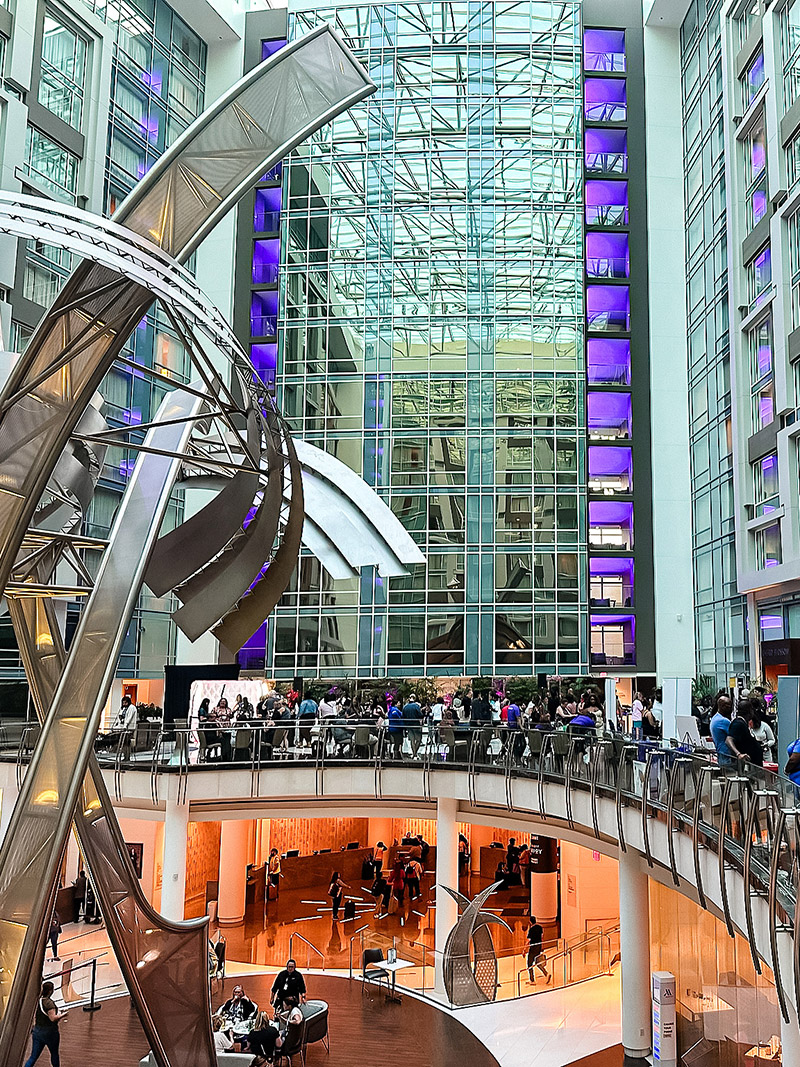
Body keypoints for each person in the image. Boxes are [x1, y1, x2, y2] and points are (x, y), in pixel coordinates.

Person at [23, 980, 67, 1067]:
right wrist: (63, 1015)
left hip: (37, 1031)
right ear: (50, 991)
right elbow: (53, 1018)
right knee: (54, 1053)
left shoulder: (38, 1000)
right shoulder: (49, 1003)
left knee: (33, 1057)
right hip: (50, 1033)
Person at [726, 699, 763, 768]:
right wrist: (738, 754)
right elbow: (728, 739)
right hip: (745, 766)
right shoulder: (738, 723)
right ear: (749, 711)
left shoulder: (743, 723)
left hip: (753, 765)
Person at [710, 695, 734, 767]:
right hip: (727, 756)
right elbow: (735, 735)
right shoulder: (723, 721)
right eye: (729, 706)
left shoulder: (715, 718)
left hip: (721, 755)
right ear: (723, 706)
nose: (731, 708)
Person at [526, 917, 551, 984]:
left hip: (533, 948)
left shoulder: (531, 930)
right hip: (538, 947)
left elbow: (528, 940)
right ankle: (546, 974)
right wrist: (542, 946)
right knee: (538, 962)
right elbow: (542, 937)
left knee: (529, 964)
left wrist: (524, 949)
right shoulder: (540, 927)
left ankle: (532, 980)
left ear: (530, 922)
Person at [402, 693, 423, 758]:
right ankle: (415, 753)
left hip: (408, 725)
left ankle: (414, 753)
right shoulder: (416, 706)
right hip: (416, 725)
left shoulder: (405, 707)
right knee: (418, 740)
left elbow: (403, 716)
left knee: (412, 740)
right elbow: (420, 715)